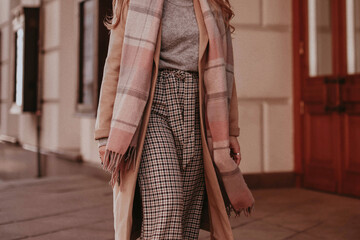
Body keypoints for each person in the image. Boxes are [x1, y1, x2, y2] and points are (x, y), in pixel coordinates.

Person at [94, 0, 246, 239]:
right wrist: (105, 134)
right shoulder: (133, 2)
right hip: (150, 108)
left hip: (199, 109)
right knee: (168, 201)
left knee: (188, 213)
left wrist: (231, 131)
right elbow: (114, 65)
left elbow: (226, 73)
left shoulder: (213, 5)